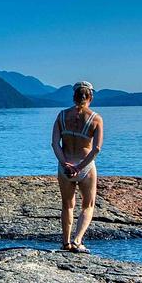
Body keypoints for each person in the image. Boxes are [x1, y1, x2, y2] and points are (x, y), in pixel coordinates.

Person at [50, 81, 102, 252]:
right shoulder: (95, 119)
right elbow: (96, 148)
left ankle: (66, 243)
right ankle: (78, 241)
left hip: (64, 166)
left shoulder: (62, 116)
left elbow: (55, 143)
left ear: (74, 96)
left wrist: (64, 162)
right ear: (90, 97)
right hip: (84, 167)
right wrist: (80, 167)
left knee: (67, 205)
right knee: (88, 205)